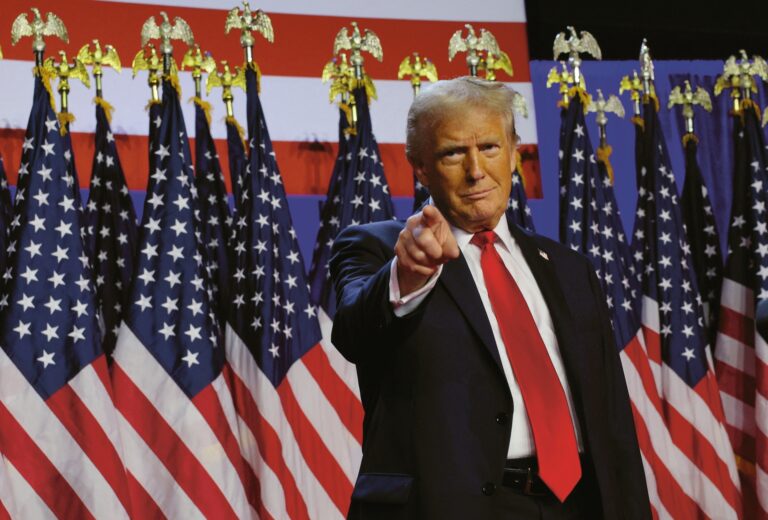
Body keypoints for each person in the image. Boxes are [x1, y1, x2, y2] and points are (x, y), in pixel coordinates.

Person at [330, 76, 650, 519]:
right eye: (453, 153)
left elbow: (612, 417)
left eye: (490, 148)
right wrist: (409, 273)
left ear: (515, 152)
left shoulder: (569, 268)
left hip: (577, 505)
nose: (476, 169)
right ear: (419, 166)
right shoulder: (380, 249)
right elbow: (353, 332)